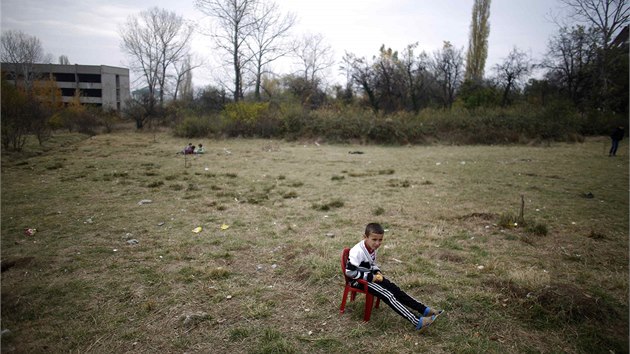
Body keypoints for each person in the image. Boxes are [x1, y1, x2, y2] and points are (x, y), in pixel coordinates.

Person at [345, 223, 443, 331]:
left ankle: (424, 310)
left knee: (396, 290)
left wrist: (377, 272)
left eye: (380, 240)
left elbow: (371, 263)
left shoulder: (372, 247)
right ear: (365, 237)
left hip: (369, 276)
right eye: (374, 239)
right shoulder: (357, 251)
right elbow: (349, 272)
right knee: (388, 295)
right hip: (358, 281)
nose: (377, 243)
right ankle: (418, 322)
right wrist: (370, 278)